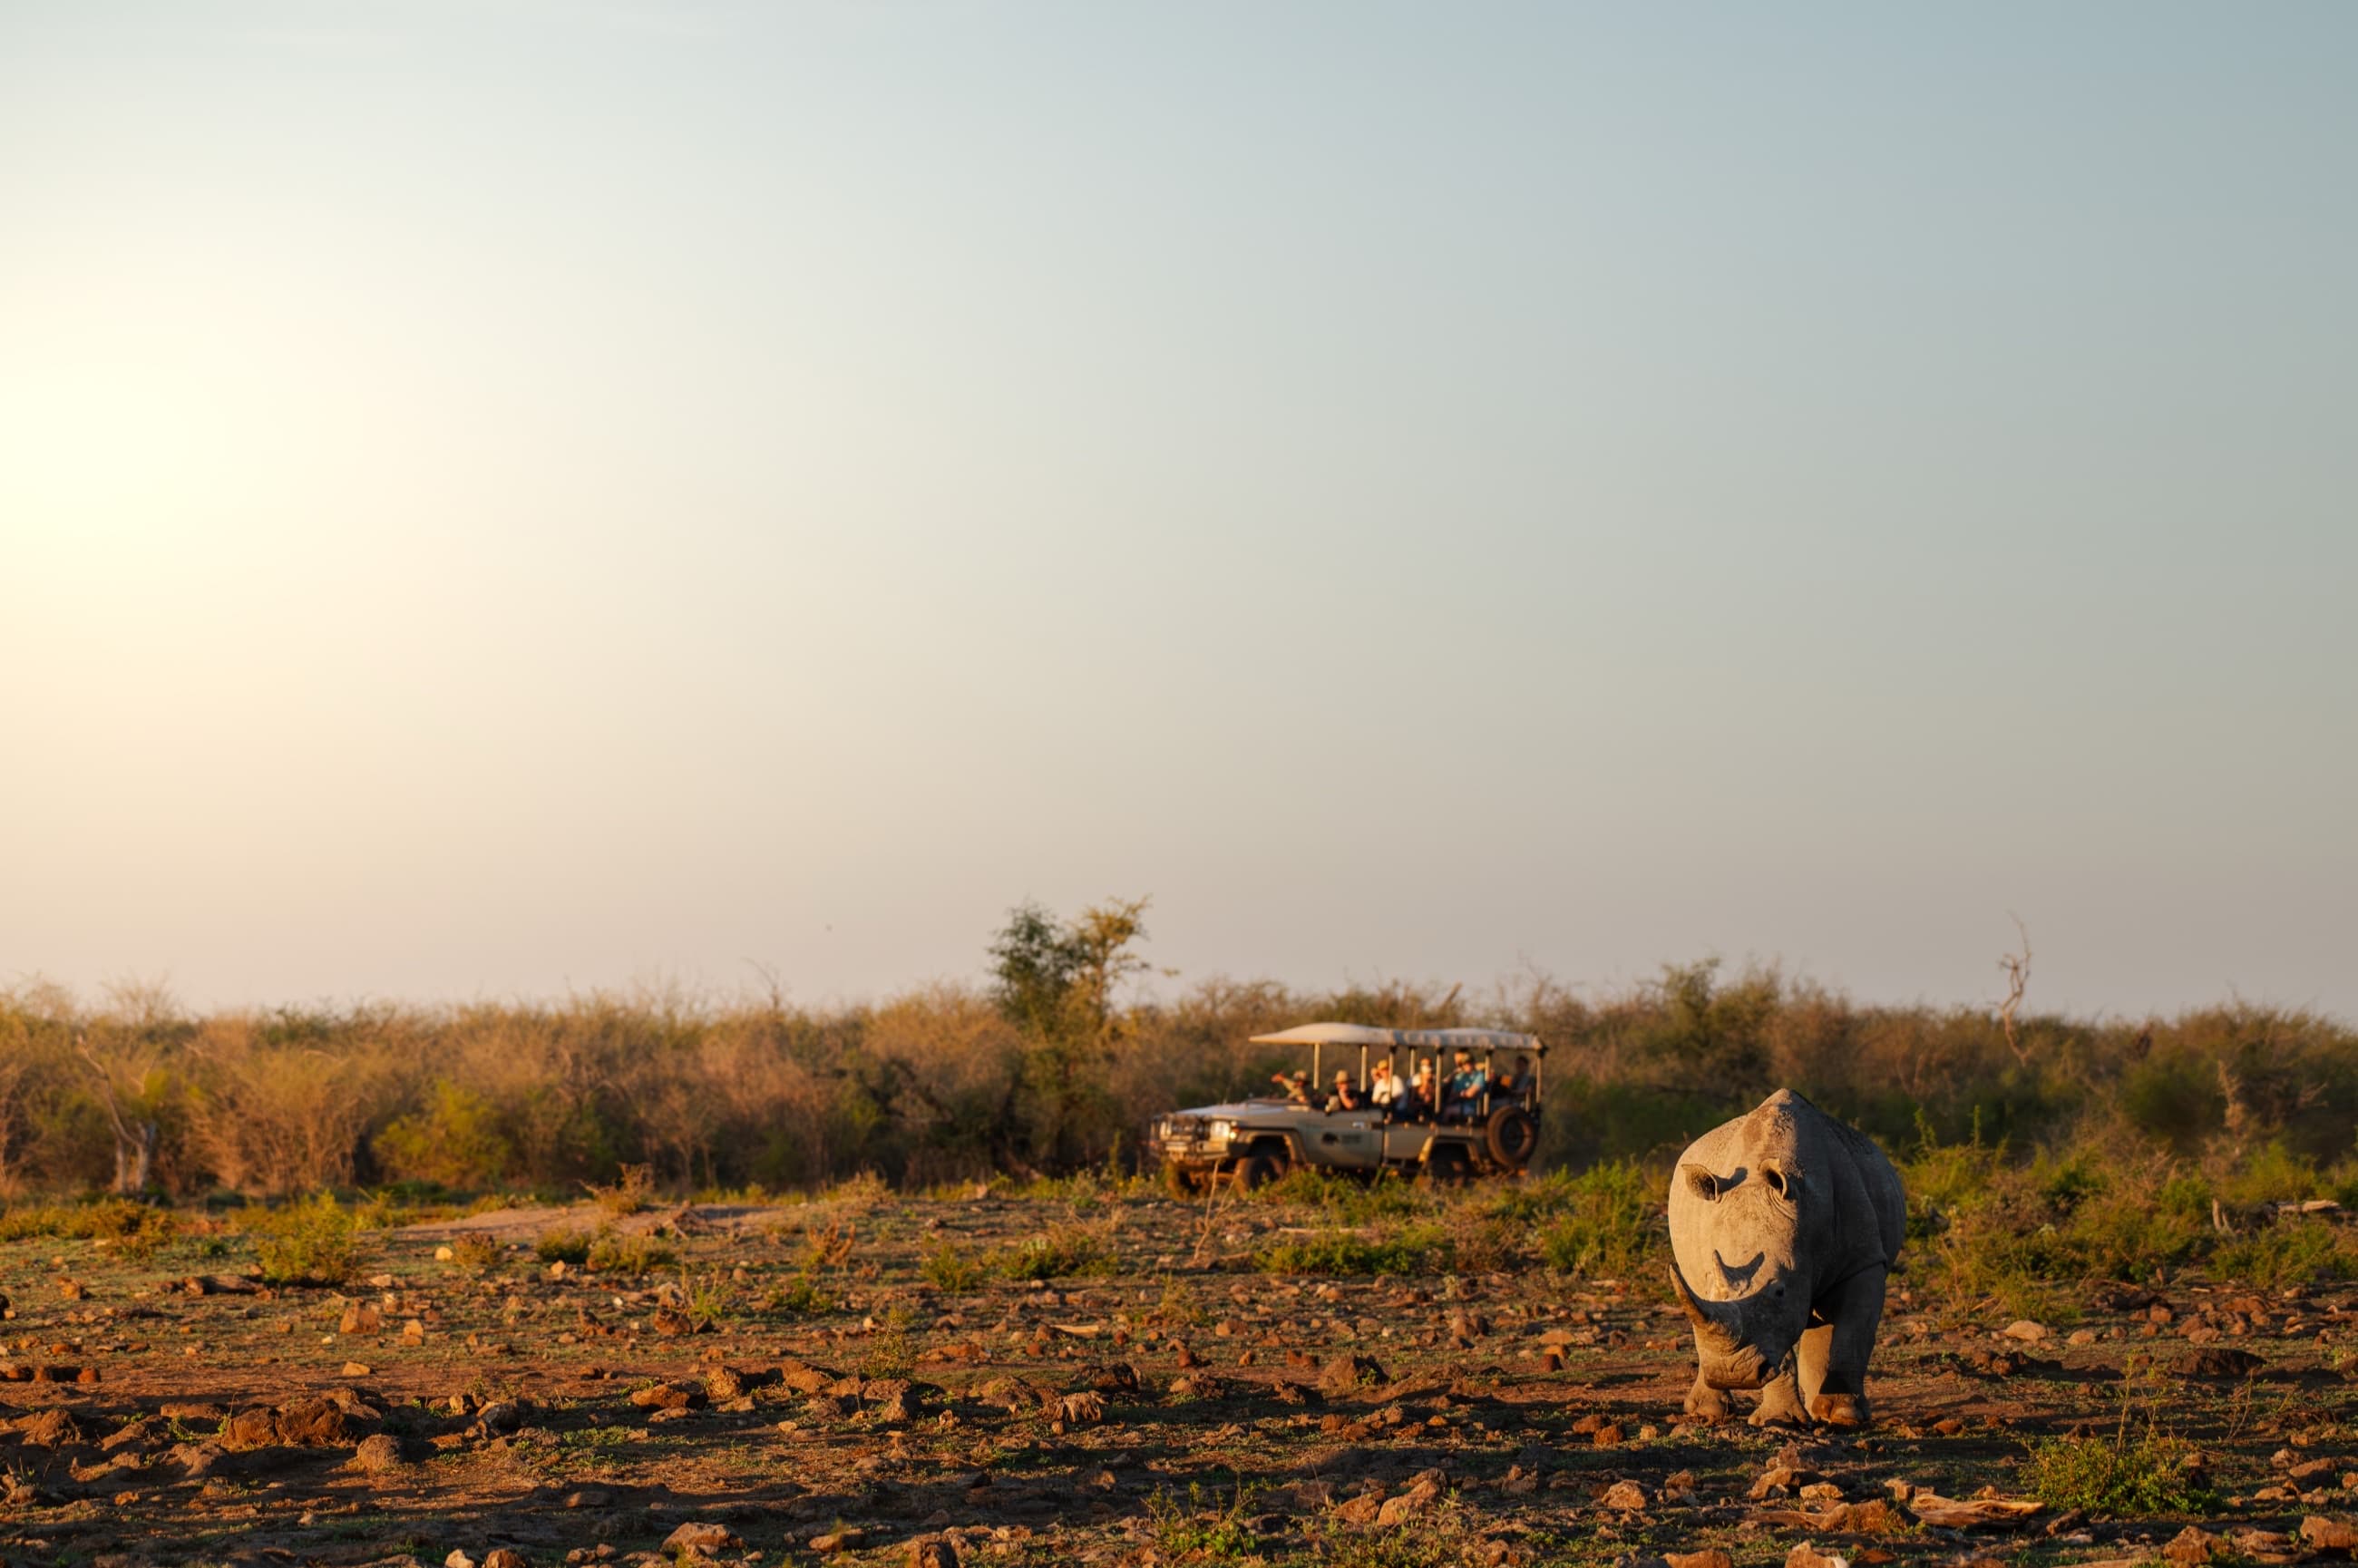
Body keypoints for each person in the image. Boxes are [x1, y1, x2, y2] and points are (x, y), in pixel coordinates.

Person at [1444, 1051, 1488, 1122]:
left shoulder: (1479, 1075)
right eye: (1464, 1063)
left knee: (1447, 1111)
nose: (1467, 1065)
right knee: (1440, 1107)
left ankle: (1443, 1130)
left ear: (1474, 1063)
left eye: (1469, 1063)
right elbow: (1452, 1095)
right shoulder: (1459, 1076)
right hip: (1458, 1104)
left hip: (1472, 1107)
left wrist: (1459, 1094)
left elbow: (1470, 1094)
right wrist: (1462, 1094)